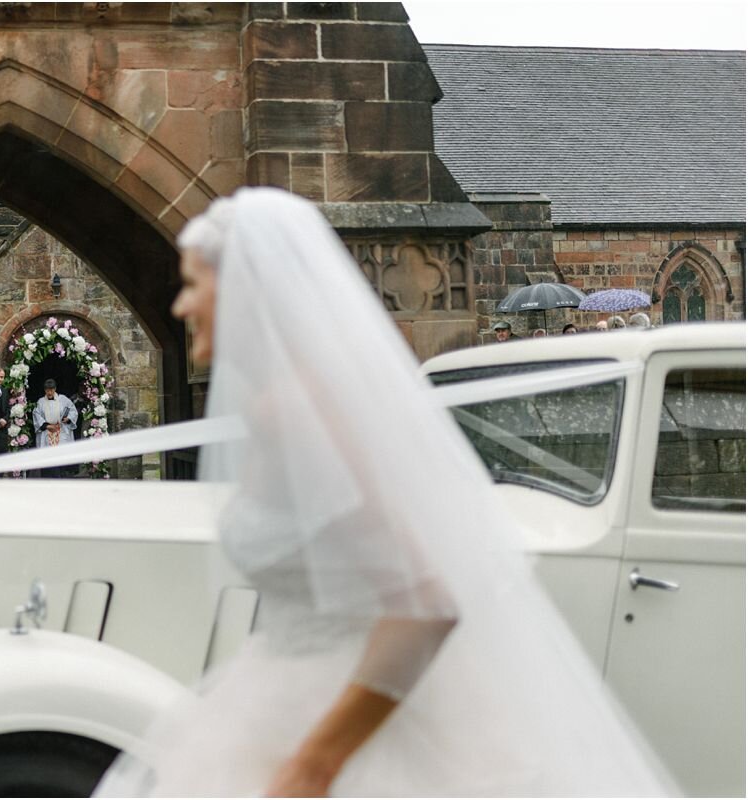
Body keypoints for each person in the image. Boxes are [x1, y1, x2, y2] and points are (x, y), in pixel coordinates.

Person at [96, 188, 672, 797]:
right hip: (286, 692)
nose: (181, 304)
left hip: (358, 729)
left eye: (193, 284)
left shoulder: (303, 410)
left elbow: (429, 600)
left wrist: (313, 766)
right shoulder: (281, 405)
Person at [32, 379, 77, 478]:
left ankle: (61, 477)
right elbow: (36, 415)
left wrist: (68, 418)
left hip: (60, 431)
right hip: (47, 431)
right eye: (47, 390)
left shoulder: (63, 399)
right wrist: (47, 426)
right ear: (45, 390)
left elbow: (73, 410)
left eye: (51, 390)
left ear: (55, 389)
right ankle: (47, 479)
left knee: (61, 456)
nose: (49, 392)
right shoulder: (41, 402)